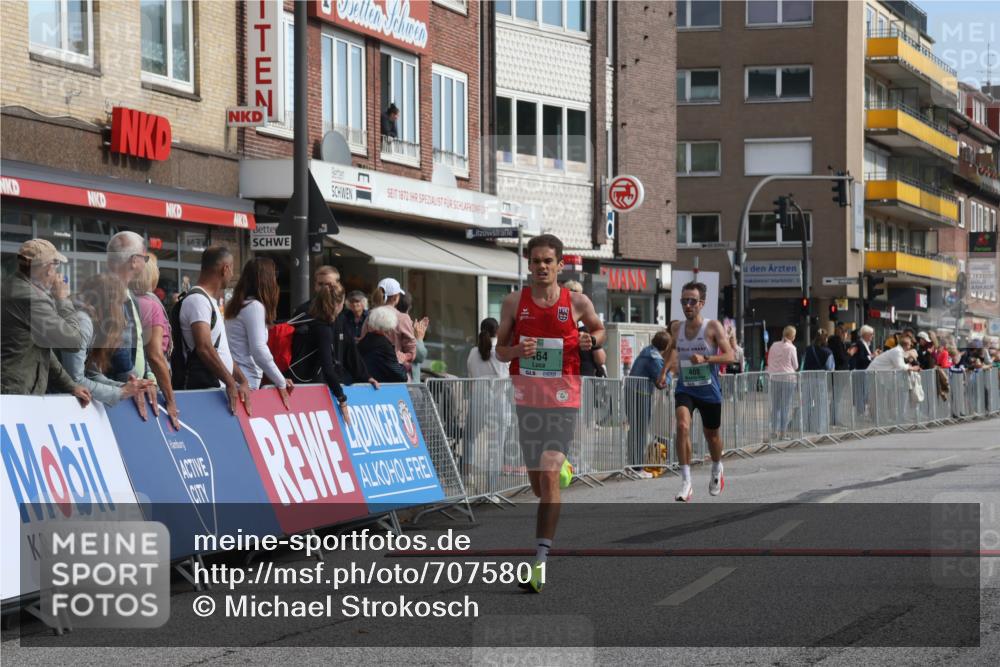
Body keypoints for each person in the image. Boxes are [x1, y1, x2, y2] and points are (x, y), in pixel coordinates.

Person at [495, 234, 605, 593]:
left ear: (560, 265)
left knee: (549, 468)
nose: (541, 267)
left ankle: (539, 563)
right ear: (529, 264)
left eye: (548, 261)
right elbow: (499, 352)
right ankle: (561, 471)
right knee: (538, 484)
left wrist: (592, 340)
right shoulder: (514, 302)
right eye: (536, 261)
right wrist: (517, 349)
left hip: (563, 398)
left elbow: (599, 329)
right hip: (527, 400)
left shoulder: (576, 302)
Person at [658, 281, 735, 502]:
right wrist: (664, 372)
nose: (687, 305)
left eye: (692, 301)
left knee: (712, 436)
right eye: (684, 301)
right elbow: (673, 348)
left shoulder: (713, 327)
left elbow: (730, 356)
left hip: (709, 389)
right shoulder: (676, 328)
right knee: (682, 426)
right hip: (685, 388)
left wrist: (706, 358)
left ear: (701, 303)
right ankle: (686, 482)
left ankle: (717, 468)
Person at [1, 239, 90, 406]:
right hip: (16, 396)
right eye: (55, 264)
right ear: (46, 268)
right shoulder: (32, 299)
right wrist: (63, 299)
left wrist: (70, 385)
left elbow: (41, 350)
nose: (56, 271)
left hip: (13, 391)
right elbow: (74, 341)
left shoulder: (13, 287)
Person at [177, 246, 252, 415]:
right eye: (232, 268)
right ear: (225, 269)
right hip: (205, 391)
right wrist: (231, 382)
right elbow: (204, 347)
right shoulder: (198, 300)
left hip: (216, 389)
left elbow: (219, 350)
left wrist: (241, 379)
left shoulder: (208, 300)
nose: (232, 275)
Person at [62, 274, 149, 407]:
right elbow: (75, 380)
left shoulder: (93, 320)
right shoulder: (83, 322)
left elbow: (91, 374)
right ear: (110, 304)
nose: (122, 312)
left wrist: (127, 387)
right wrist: (121, 392)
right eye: (120, 303)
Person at [224, 257, 293, 408]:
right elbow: (259, 350)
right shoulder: (254, 307)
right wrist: (280, 381)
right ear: (267, 280)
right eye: (274, 276)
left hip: (236, 379)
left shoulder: (237, 305)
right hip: (245, 382)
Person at [106, 231, 159, 417]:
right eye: (144, 258)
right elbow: (115, 344)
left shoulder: (130, 296)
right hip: (121, 392)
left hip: (134, 387)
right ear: (134, 261)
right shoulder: (108, 291)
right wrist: (132, 379)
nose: (146, 263)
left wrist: (147, 376)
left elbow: (139, 341)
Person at [130, 252, 180, 428]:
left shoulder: (128, 300)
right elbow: (155, 355)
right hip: (151, 384)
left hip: (134, 381)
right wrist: (171, 400)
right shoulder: (151, 305)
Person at [304, 282, 378, 391]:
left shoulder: (340, 319)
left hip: (328, 383)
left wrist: (366, 376)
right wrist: (341, 398)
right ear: (342, 302)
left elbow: (350, 350)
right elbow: (328, 367)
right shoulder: (319, 324)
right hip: (316, 385)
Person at [627, 330, 670, 467]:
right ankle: (637, 464)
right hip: (641, 394)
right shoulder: (654, 357)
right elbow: (662, 379)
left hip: (633, 391)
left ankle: (633, 463)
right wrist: (671, 372)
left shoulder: (647, 351)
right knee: (640, 429)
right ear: (666, 346)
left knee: (635, 428)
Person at [363, 277, 416, 376]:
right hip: (395, 375)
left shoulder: (369, 317)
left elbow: (362, 341)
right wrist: (405, 357)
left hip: (372, 374)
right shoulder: (402, 318)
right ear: (396, 297)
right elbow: (412, 351)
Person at [563, 281, 607, 377]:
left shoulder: (557, 321)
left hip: (563, 376)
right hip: (583, 377)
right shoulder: (586, 328)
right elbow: (600, 358)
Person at [358, 306, 408, 383]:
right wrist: (400, 363)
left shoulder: (363, 341)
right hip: (380, 389)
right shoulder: (384, 346)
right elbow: (401, 376)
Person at [766, 326, 799, 441]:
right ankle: (783, 433)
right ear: (792, 336)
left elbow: (769, 361)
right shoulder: (792, 348)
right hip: (788, 379)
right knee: (785, 406)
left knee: (775, 406)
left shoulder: (774, 345)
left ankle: (774, 431)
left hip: (774, 378)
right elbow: (796, 366)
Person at [801, 330, 833, 434]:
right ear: (825, 339)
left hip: (807, 379)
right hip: (820, 379)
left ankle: (805, 426)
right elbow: (830, 368)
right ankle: (820, 427)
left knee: (806, 403)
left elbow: (804, 363)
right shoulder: (828, 352)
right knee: (821, 404)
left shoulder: (808, 349)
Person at [396, 292, 429, 382]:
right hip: (408, 384)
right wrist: (419, 338)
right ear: (410, 307)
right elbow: (420, 355)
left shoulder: (386, 321)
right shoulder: (406, 323)